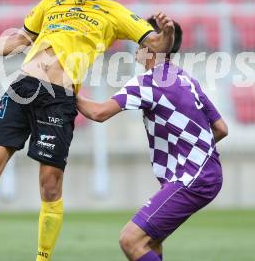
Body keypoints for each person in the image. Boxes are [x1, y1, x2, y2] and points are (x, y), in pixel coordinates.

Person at [0, 0, 175, 261]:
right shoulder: (52, 1)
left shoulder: (114, 13)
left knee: (50, 184)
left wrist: (165, 32)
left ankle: (43, 258)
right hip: (22, 87)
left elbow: (156, 43)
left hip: (60, 98)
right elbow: (16, 41)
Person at [77, 18, 228, 261]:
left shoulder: (147, 83)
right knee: (150, 242)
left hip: (191, 177)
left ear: (155, 44)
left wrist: (64, 86)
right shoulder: (185, 78)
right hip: (204, 172)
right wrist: (192, 150)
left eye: (142, 37)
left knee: (130, 239)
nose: (137, 44)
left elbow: (98, 112)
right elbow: (221, 128)